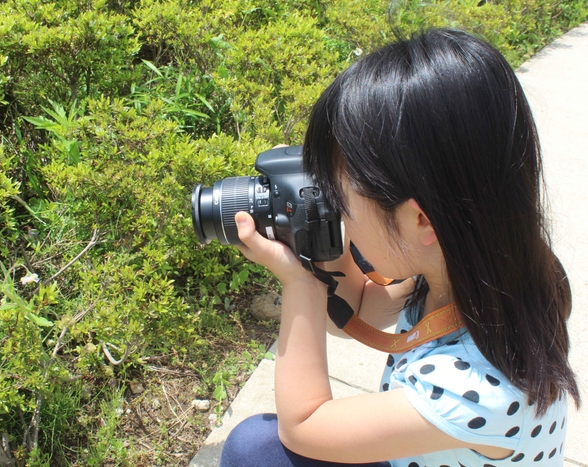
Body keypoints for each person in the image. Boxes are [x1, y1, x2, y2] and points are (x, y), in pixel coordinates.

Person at [219, 29, 580, 467]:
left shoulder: (478, 390)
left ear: (421, 219)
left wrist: (301, 286)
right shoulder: (479, 272)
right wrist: (310, 239)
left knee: (254, 451)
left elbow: (305, 427)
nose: (336, 213)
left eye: (342, 202)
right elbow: (361, 307)